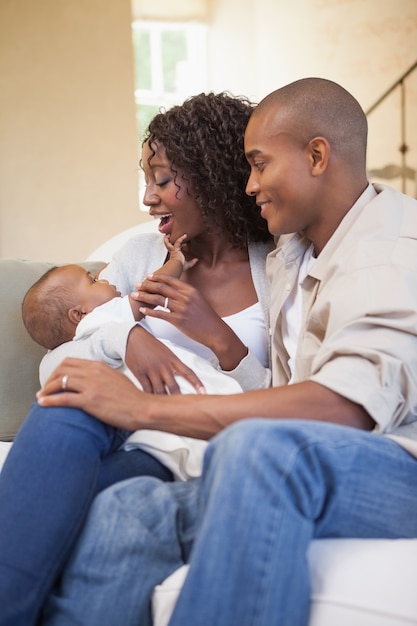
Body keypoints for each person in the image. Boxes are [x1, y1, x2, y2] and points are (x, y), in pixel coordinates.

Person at [36, 77, 417, 626]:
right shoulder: (295, 253)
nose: (248, 184)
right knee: (127, 511)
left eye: (259, 165)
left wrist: (143, 409)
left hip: (395, 465)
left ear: (316, 156)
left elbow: (344, 409)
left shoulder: (390, 252)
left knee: (258, 451)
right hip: (320, 460)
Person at [0, 91, 275, 626]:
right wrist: (126, 338)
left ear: (213, 174)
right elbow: (58, 363)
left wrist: (221, 340)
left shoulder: (282, 269)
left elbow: (295, 398)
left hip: (184, 442)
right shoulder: (142, 257)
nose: (148, 198)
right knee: (63, 405)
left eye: (163, 179)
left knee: (75, 507)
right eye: (147, 179)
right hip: (108, 421)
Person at [21, 236, 241, 481]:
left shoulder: (89, 333)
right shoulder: (100, 317)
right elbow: (152, 289)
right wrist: (177, 261)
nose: (104, 278)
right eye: (93, 280)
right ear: (79, 314)